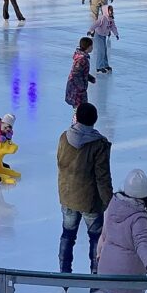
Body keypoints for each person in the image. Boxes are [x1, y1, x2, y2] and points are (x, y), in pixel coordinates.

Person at [57, 101, 112, 277]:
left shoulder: (64, 137)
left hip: (67, 196)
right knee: (96, 238)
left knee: (67, 235)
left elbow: (60, 163)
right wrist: (109, 202)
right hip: (91, 201)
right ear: (95, 120)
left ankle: (64, 275)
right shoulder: (99, 144)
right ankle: (95, 277)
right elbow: (102, 177)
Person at [97, 169, 147, 293]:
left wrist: (99, 254)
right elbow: (142, 244)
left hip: (107, 274)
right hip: (127, 280)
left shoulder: (114, 205)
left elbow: (104, 234)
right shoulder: (139, 218)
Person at [64, 37, 96, 115]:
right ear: (88, 47)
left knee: (80, 110)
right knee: (80, 111)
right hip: (77, 90)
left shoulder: (82, 57)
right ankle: (77, 126)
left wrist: (90, 78)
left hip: (77, 89)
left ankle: (78, 125)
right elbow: (75, 74)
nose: (92, 48)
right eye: (92, 46)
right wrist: (81, 87)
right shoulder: (82, 59)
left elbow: (81, 72)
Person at [88, 4, 119, 74]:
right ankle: (99, 67)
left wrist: (116, 34)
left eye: (112, 10)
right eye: (110, 10)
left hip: (104, 36)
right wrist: (90, 30)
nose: (111, 12)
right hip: (98, 35)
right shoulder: (103, 18)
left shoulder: (111, 19)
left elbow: (113, 27)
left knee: (104, 51)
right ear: (106, 11)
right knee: (101, 51)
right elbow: (95, 24)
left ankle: (105, 65)